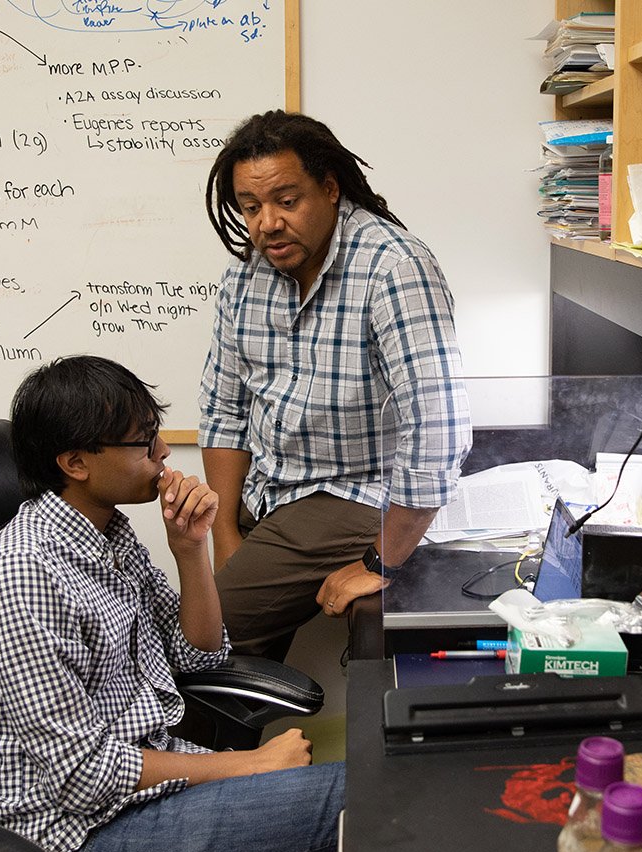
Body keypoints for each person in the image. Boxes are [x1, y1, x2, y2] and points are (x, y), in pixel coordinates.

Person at [0, 355, 345, 852]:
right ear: (75, 462)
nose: (162, 452)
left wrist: (191, 548)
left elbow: (199, 655)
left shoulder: (108, 536)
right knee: (367, 796)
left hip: (150, 795)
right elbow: (82, 775)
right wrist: (249, 765)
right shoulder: (20, 576)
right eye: (143, 442)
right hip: (81, 844)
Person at [199, 109, 473, 661]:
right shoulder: (245, 274)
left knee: (198, 636)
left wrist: (381, 560)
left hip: (349, 492)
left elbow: (437, 427)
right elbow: (224, 408)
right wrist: (223, 531)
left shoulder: (394, 267)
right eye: (251, 207)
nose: (267, 223)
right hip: (267, 489)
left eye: (286, 200)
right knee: (227, 658)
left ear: (329, 189)